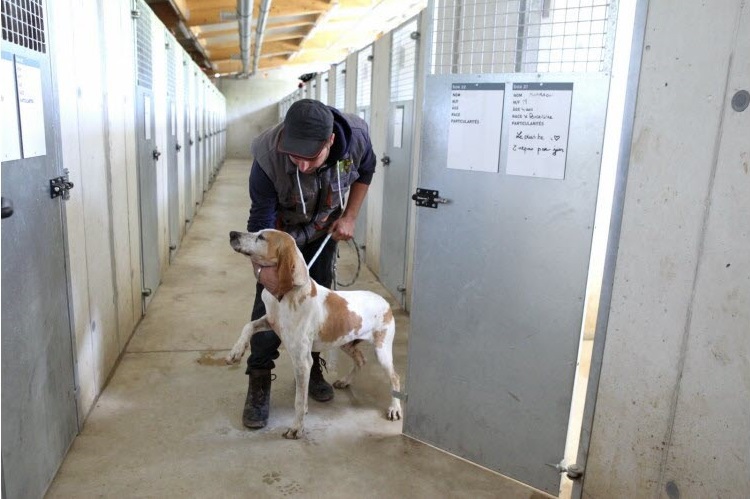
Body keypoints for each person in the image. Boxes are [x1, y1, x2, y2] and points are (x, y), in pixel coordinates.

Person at [241, 98, 377, 429]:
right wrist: (266, 273)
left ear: (330, 141)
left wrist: (350, 216)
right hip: (282, 239)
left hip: (324, 231)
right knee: (271, 305)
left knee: (318, 302)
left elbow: (367, 171)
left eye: (310, 158)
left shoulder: (356, 136)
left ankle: (313, 366)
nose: (301, 166)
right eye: (295, 157)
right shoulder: (267, 155)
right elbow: (261, 221)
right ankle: (259, 377)